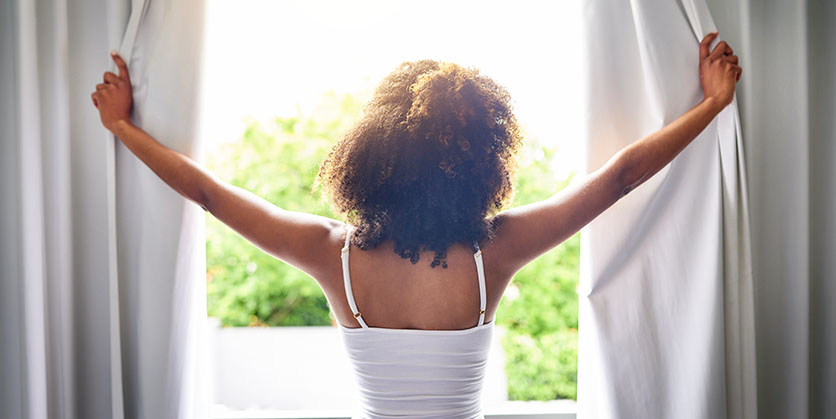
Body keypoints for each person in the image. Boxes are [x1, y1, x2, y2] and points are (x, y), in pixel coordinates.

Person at [91, 32, 740, 418]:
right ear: (483, 167)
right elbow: (621, 176)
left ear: (371, 159)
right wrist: (712, 105)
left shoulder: (330, 253)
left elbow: (206, 192)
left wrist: (122, 126)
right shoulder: (496, 250)